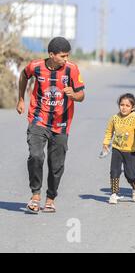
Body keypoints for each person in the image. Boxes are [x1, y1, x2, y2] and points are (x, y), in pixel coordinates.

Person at [16, 37, 85, 214]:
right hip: (38, 119)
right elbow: (24, 75)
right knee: (36, 156)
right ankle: (35, 196)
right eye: (63, 56)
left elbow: (81, 95)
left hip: (61, 123)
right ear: (51, 55)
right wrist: (21, 99)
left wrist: (73, 95)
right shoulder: (36, 66)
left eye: (68, 55)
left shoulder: (72, 69)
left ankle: (51, 198)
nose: (66, 59)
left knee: (56, 165)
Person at [102, 94, 135, 204]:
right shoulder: (115, 118)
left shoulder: (134, 118)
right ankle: (114, 194)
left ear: (133, 107)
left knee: (129, 174)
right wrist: (106, 142)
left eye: (127, 105)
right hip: (117, 148)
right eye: (122, 105)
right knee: (114, 171)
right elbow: (109, 131)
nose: (124, 108)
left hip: (129, 150)